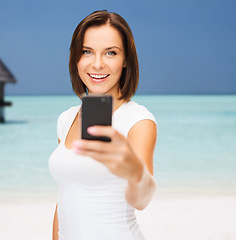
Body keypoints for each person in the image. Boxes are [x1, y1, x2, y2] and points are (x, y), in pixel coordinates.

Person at [49, 10, 157, 240]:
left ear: (126, 59)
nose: (97, 64)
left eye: (111, 53)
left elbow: (142, 200)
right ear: (75, 57)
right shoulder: (65, 120)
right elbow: (64, 199)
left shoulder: (138, 120)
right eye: (87, 51)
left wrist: (134, 170)